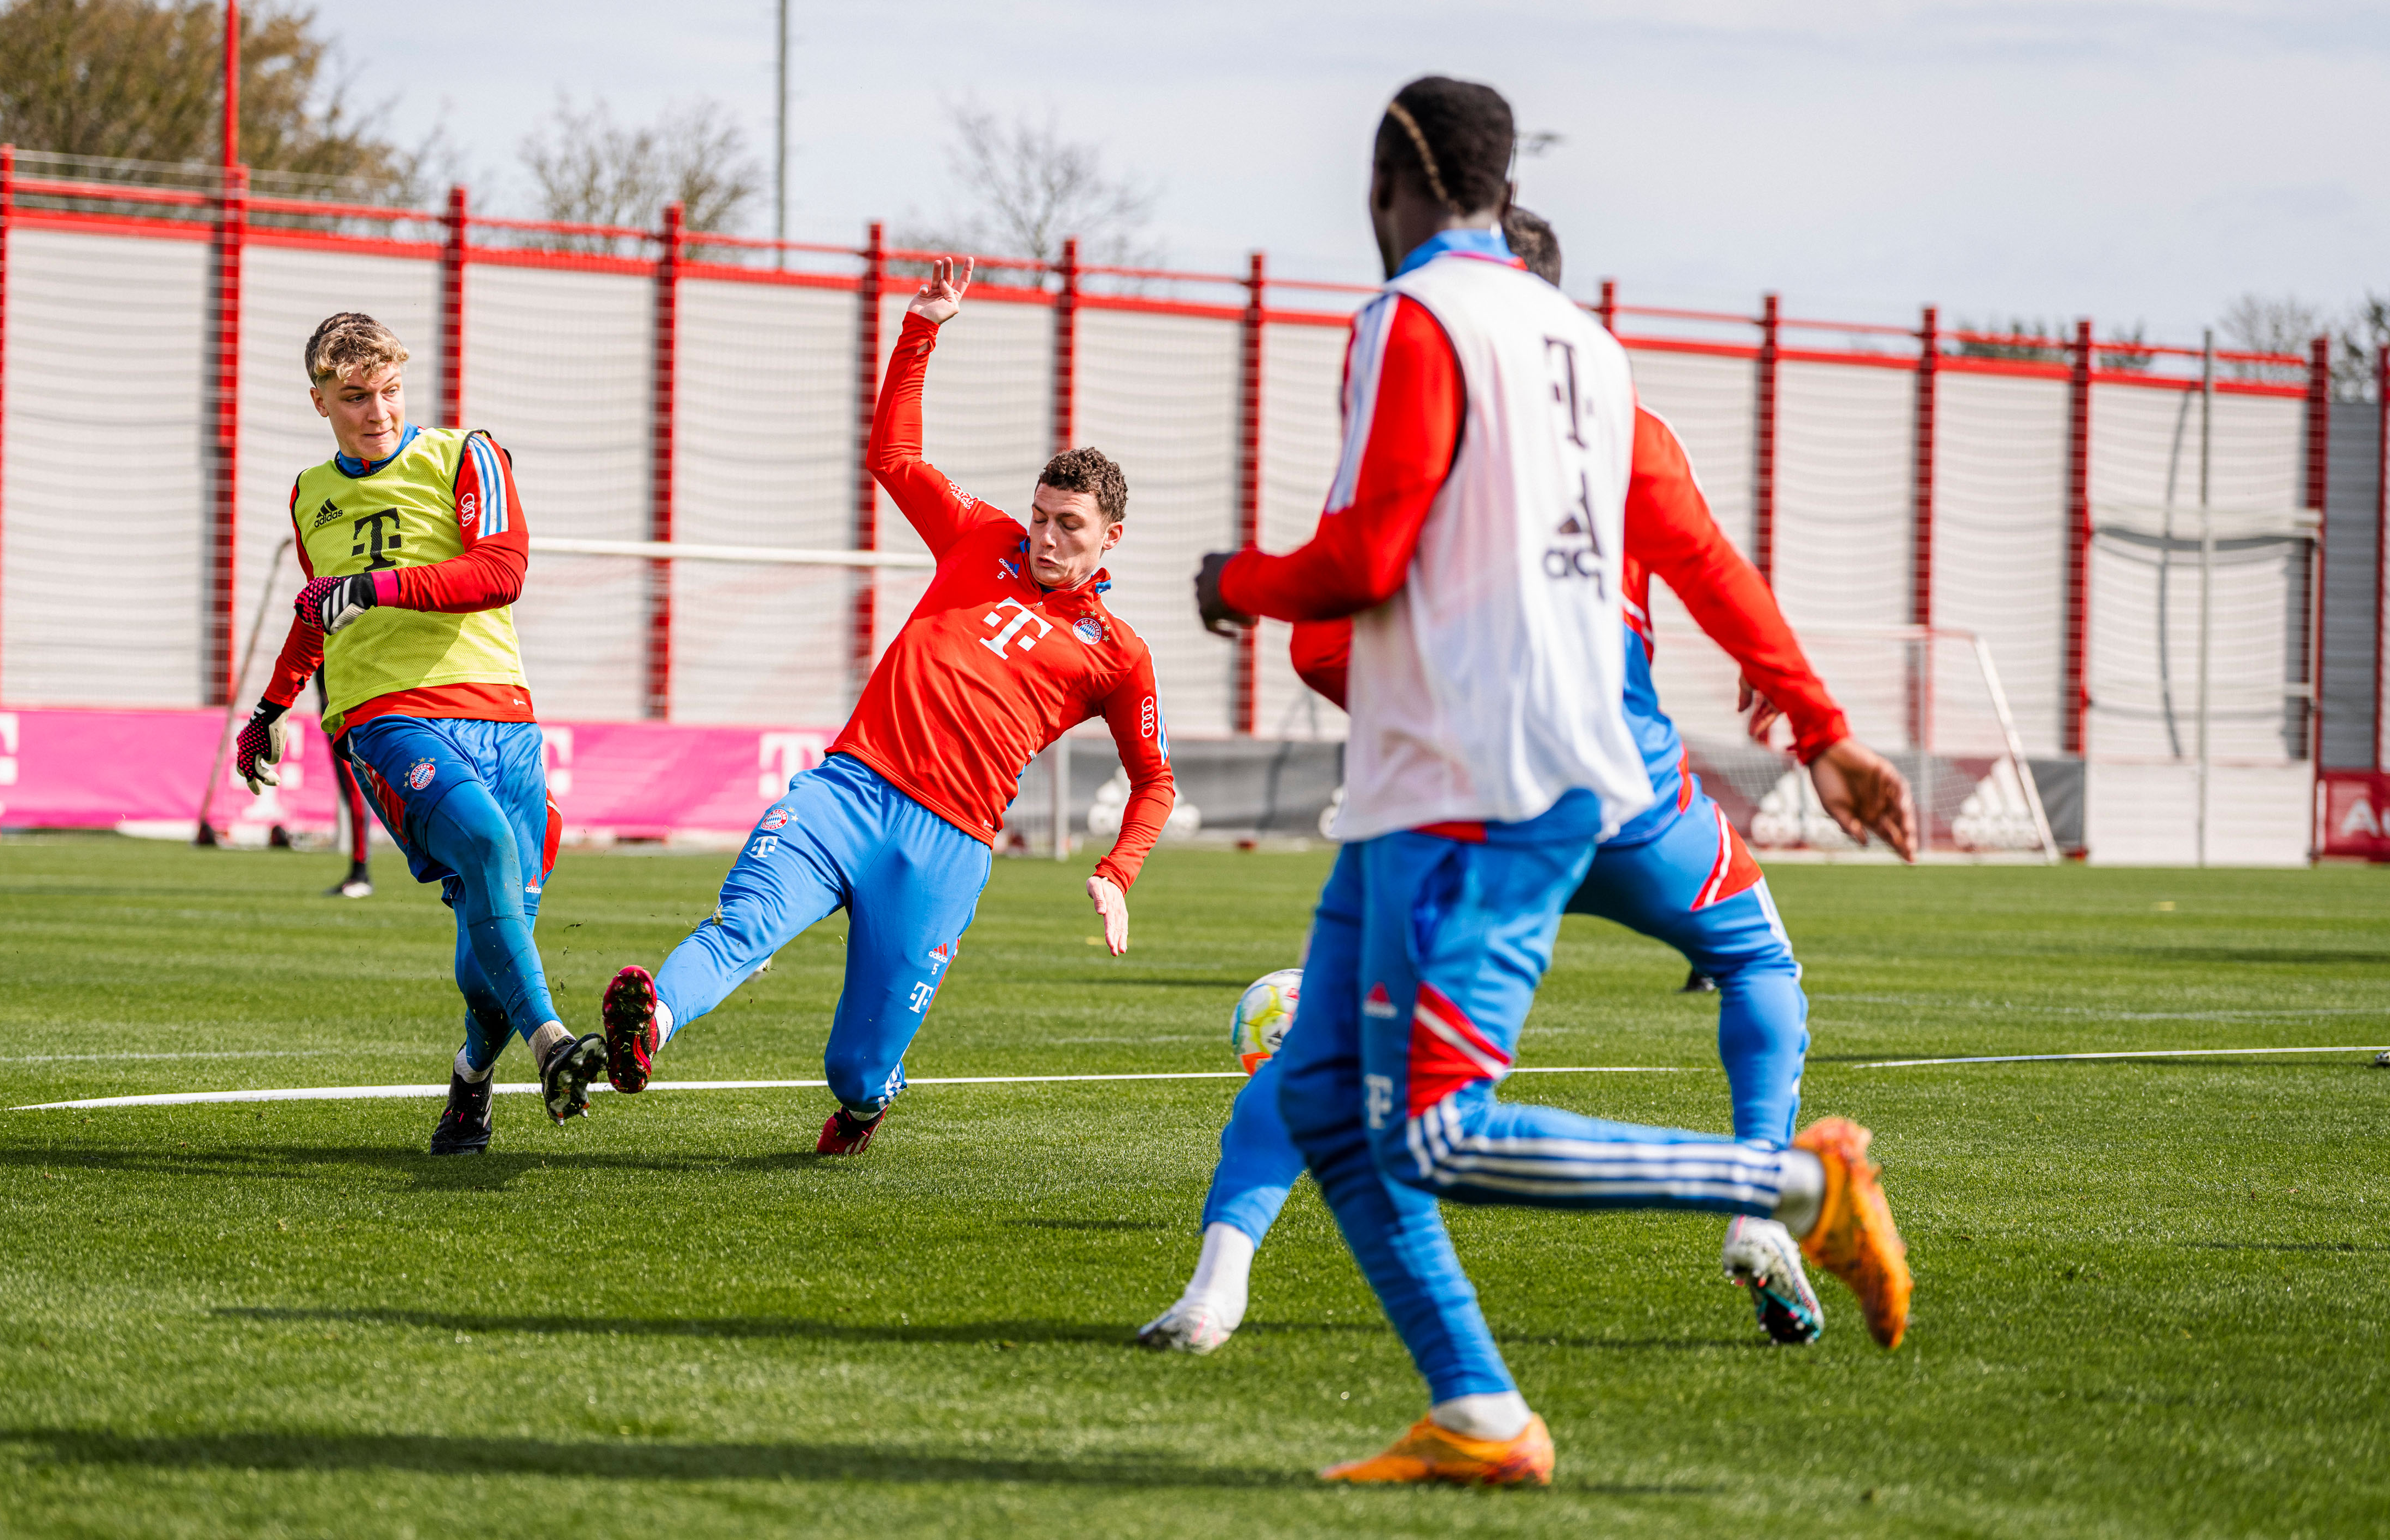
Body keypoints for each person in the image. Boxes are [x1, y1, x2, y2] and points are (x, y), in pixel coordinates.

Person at [1191, 78, 1911, 1487]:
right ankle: (1477, 1410)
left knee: (1438, 1128)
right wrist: (1815, 725)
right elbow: (1691, 556)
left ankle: (1801, 1184)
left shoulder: (1409, 317)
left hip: (1480, 767)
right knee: (1330, 1096)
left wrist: (1235, 580)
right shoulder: (1580, 339)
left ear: (1388, 181)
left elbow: (1369, 557)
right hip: (1503, 764)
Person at [589, 258, 1179, 1156]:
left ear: (1112, 538)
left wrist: (1118, 870)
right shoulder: (984, 536)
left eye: (1072, 526)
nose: (1048, 537)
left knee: (856, 1066)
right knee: (744, 920)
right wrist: (922, 329)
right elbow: (894, 459)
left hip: (944, 850)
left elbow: (1155, 782)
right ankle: (652, 1025)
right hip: (846, 792)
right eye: (1042, 515)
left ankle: (865, 1105)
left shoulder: (1118, 652)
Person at [235, 312, 603, 1156]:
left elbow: (501, 569)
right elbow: (317, 607)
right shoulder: (308, 495)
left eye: (391, 391)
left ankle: (471, 1084)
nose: (379, 412)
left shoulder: (465, 455)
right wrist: (273, 707)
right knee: (482, 848)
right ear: (320, 401)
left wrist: (377, 586)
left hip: (505, 718)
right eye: (356, 397)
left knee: (496, 926)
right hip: (387, 717)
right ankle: (553, 1047)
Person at [314, 672, 376, 898]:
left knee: (356, 791)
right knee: (350, 792)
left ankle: (361, 873)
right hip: (333, 708)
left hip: (347, 709)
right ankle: (358, 873)